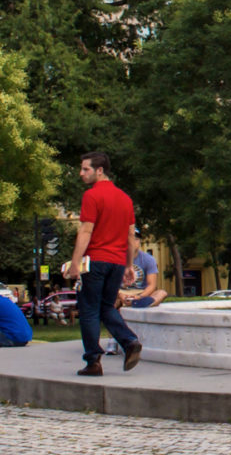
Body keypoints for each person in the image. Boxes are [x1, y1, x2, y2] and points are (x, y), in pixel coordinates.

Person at [63, 151, 142, 376]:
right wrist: (128, 265)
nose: (81, 173)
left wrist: (75, 263)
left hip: (96, 261)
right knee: (106, 306)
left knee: (88, 310)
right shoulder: (125, 198)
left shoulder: (92, 195)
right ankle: (129, 341)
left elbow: (86, 230)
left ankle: (93, 362)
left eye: (85, 169)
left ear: (100, 170)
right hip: (117, 263)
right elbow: (129, 236)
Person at [119, 242, 167, 309]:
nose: (133, 242)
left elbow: (152, 285)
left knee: (162, 293)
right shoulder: (116, 258)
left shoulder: (149, 259)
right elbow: (110, 282)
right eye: (131, 239)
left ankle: (141, 303)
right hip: (121, 291)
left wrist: (140, 296)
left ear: (139, 242)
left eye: (136, 239)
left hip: (141, 292)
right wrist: (120, 295)